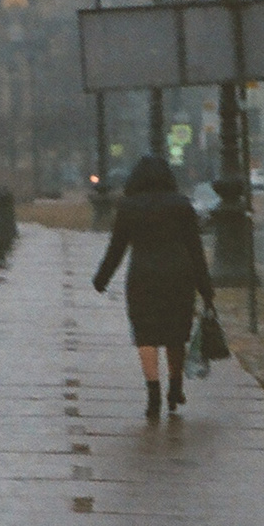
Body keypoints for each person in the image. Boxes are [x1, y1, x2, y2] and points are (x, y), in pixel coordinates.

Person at [91, 153, 214, 420]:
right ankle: (176, 387)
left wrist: (101, 279)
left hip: (143, 276)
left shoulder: (128, 207)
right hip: (179, 275)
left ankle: (153, 395)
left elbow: (117, 249)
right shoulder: (181, 206)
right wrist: (206, 289)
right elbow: (195, 250)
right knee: (175, 334)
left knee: (145, 335)